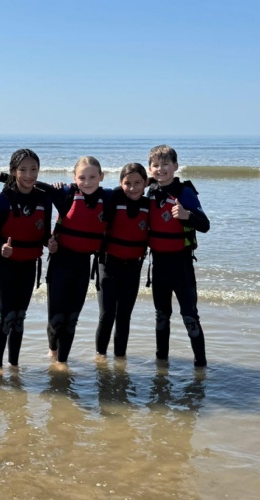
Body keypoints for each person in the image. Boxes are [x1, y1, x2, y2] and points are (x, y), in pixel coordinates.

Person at [36, 156, 113, 365]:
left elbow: (132, 188)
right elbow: (34, 184)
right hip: (60, 262)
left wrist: (154, 180)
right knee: (56, 319)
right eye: (82, 177)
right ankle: (53, 351)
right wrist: (1, 177)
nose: (87, 182)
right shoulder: (66, 195)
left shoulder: (108, 198)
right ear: (74, 178)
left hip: (83, 265)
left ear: (101, 176)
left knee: (71, 320)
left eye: (92, 177)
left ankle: (62, 362)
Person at [0, 149, 53, 371]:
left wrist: (50, 243)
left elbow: (44, 235)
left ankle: (14, 366)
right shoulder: (3, 199)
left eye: (34, 169)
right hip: (5, 265)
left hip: (29, 265)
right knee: (7, 316)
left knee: (20, 316)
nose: (29, 175)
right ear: (14, 172)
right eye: (23, 170)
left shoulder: (44, 199)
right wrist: (0, 247)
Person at [147, 144, 210, 367]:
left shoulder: (185, 193)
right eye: (156, 165)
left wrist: (187, 215)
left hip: (182, 266)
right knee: (161, 316)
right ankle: (161, 366)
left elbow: (205, 225)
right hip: (159, 265)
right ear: (150, 169)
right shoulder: (150, 191)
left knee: (190, 317)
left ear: (175, 166)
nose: (160, 169)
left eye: (165, 164)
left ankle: (200, 366)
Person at [95, 163, 149, 360]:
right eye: (127, 183)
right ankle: (100, 357)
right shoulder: (113, 199)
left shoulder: (149, 205)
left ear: (145, 183)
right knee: (107, 314)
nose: (132, 188)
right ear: (120, 183)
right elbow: (92, 190)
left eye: (138, 183)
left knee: (124, 316)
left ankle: (120, 358)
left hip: (133, 267)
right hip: (108, 265)